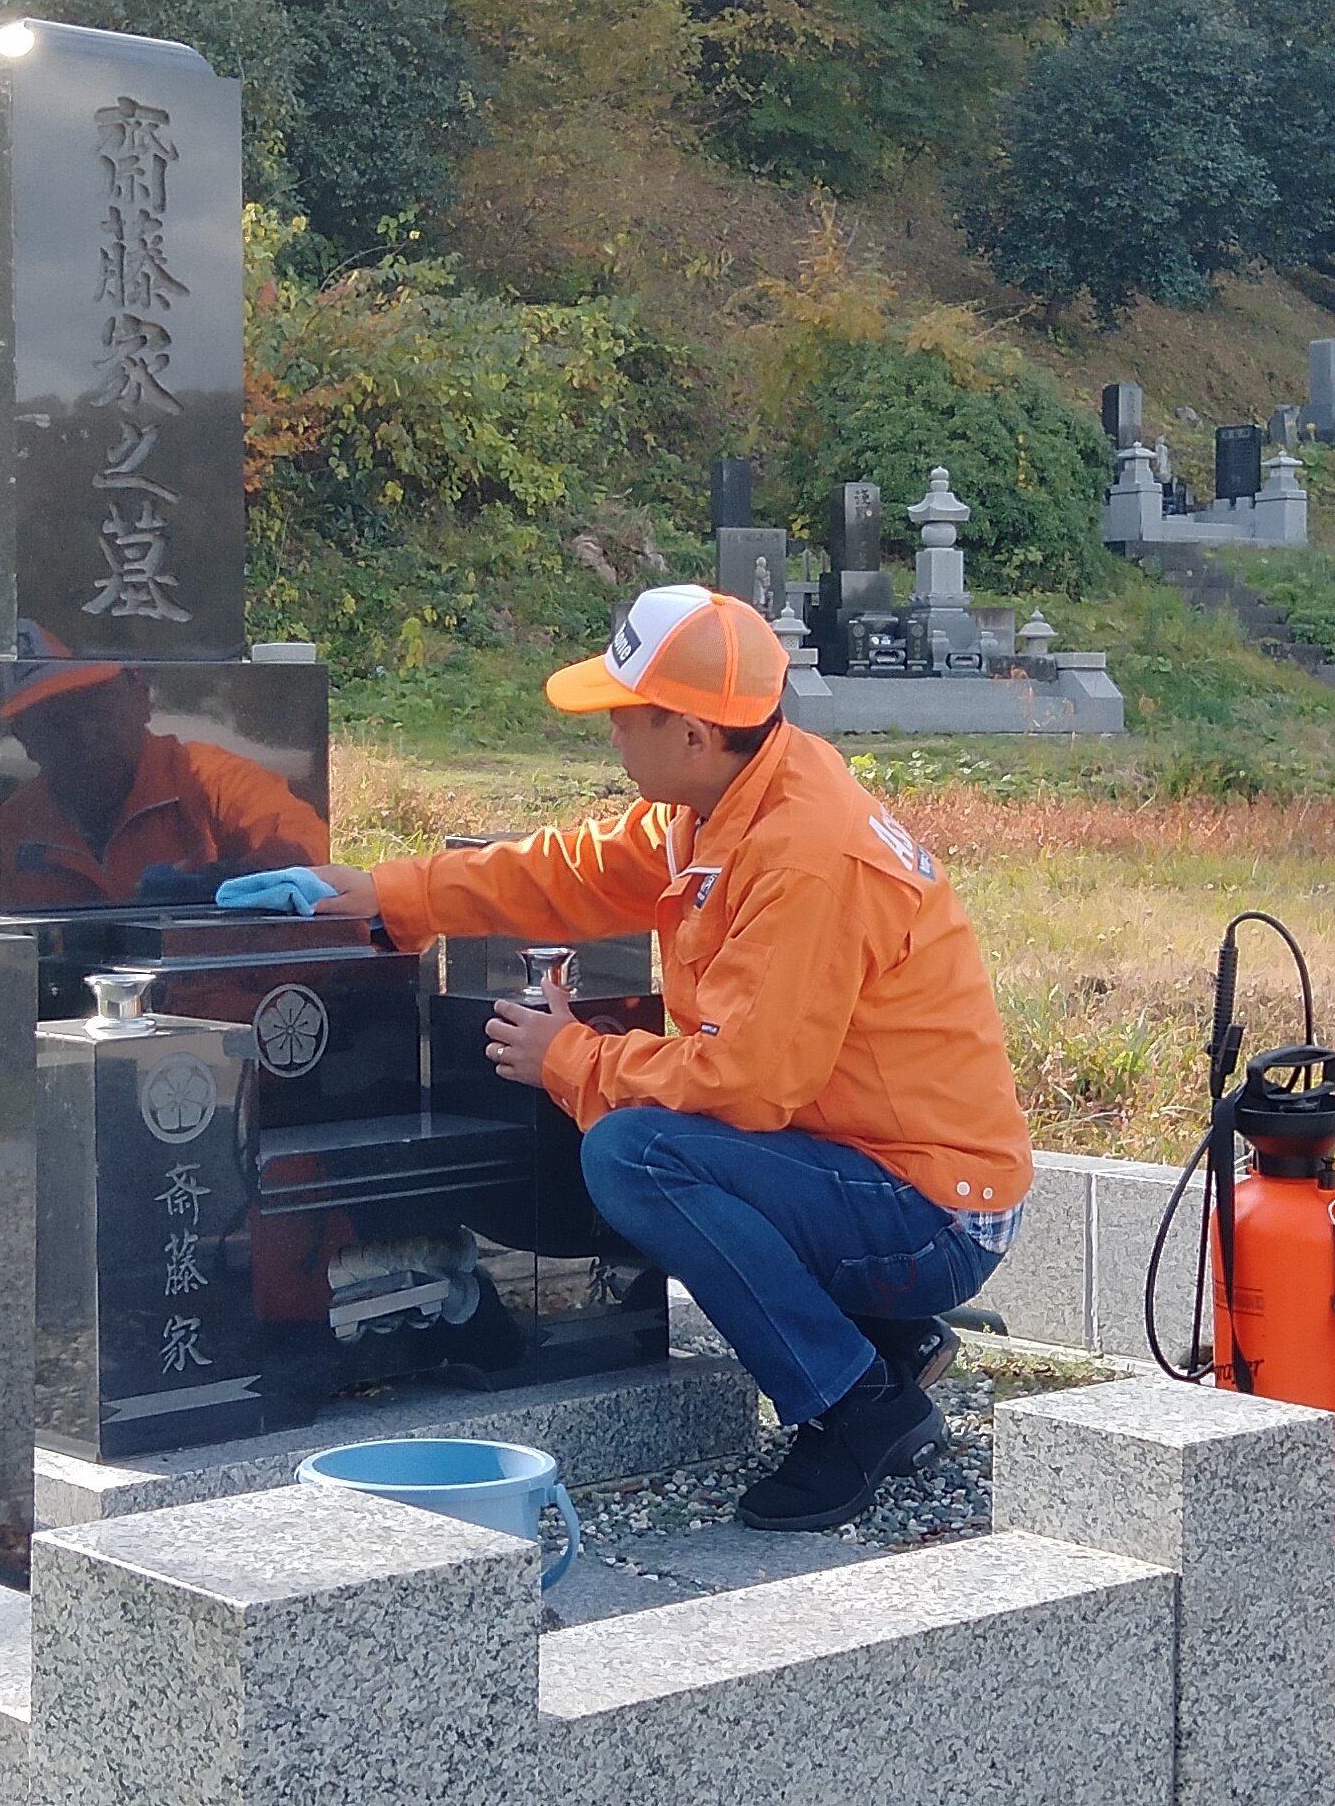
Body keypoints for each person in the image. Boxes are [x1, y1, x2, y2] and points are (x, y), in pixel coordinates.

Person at [215, 585, 1026, 1530]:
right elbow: (571, 871)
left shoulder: (806, 858)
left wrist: (572, 1055)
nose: (608, 734)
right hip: (864, 1165)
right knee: (644, 1140)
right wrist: (380, 894)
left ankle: (856, 1407)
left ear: (688, 731)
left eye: (620, 714)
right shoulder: (732, 800)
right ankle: (884, 1337)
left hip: (930, 1212)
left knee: (635, 1154)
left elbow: (746, 1087)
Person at [0, 643, 329, 907]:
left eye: (98, 709)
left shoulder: (209, 779)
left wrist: (215, 886)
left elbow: (305, 850)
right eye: (57, 724)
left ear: (140, 700)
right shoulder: (13, 828)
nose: (85, 736)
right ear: (26, 740)